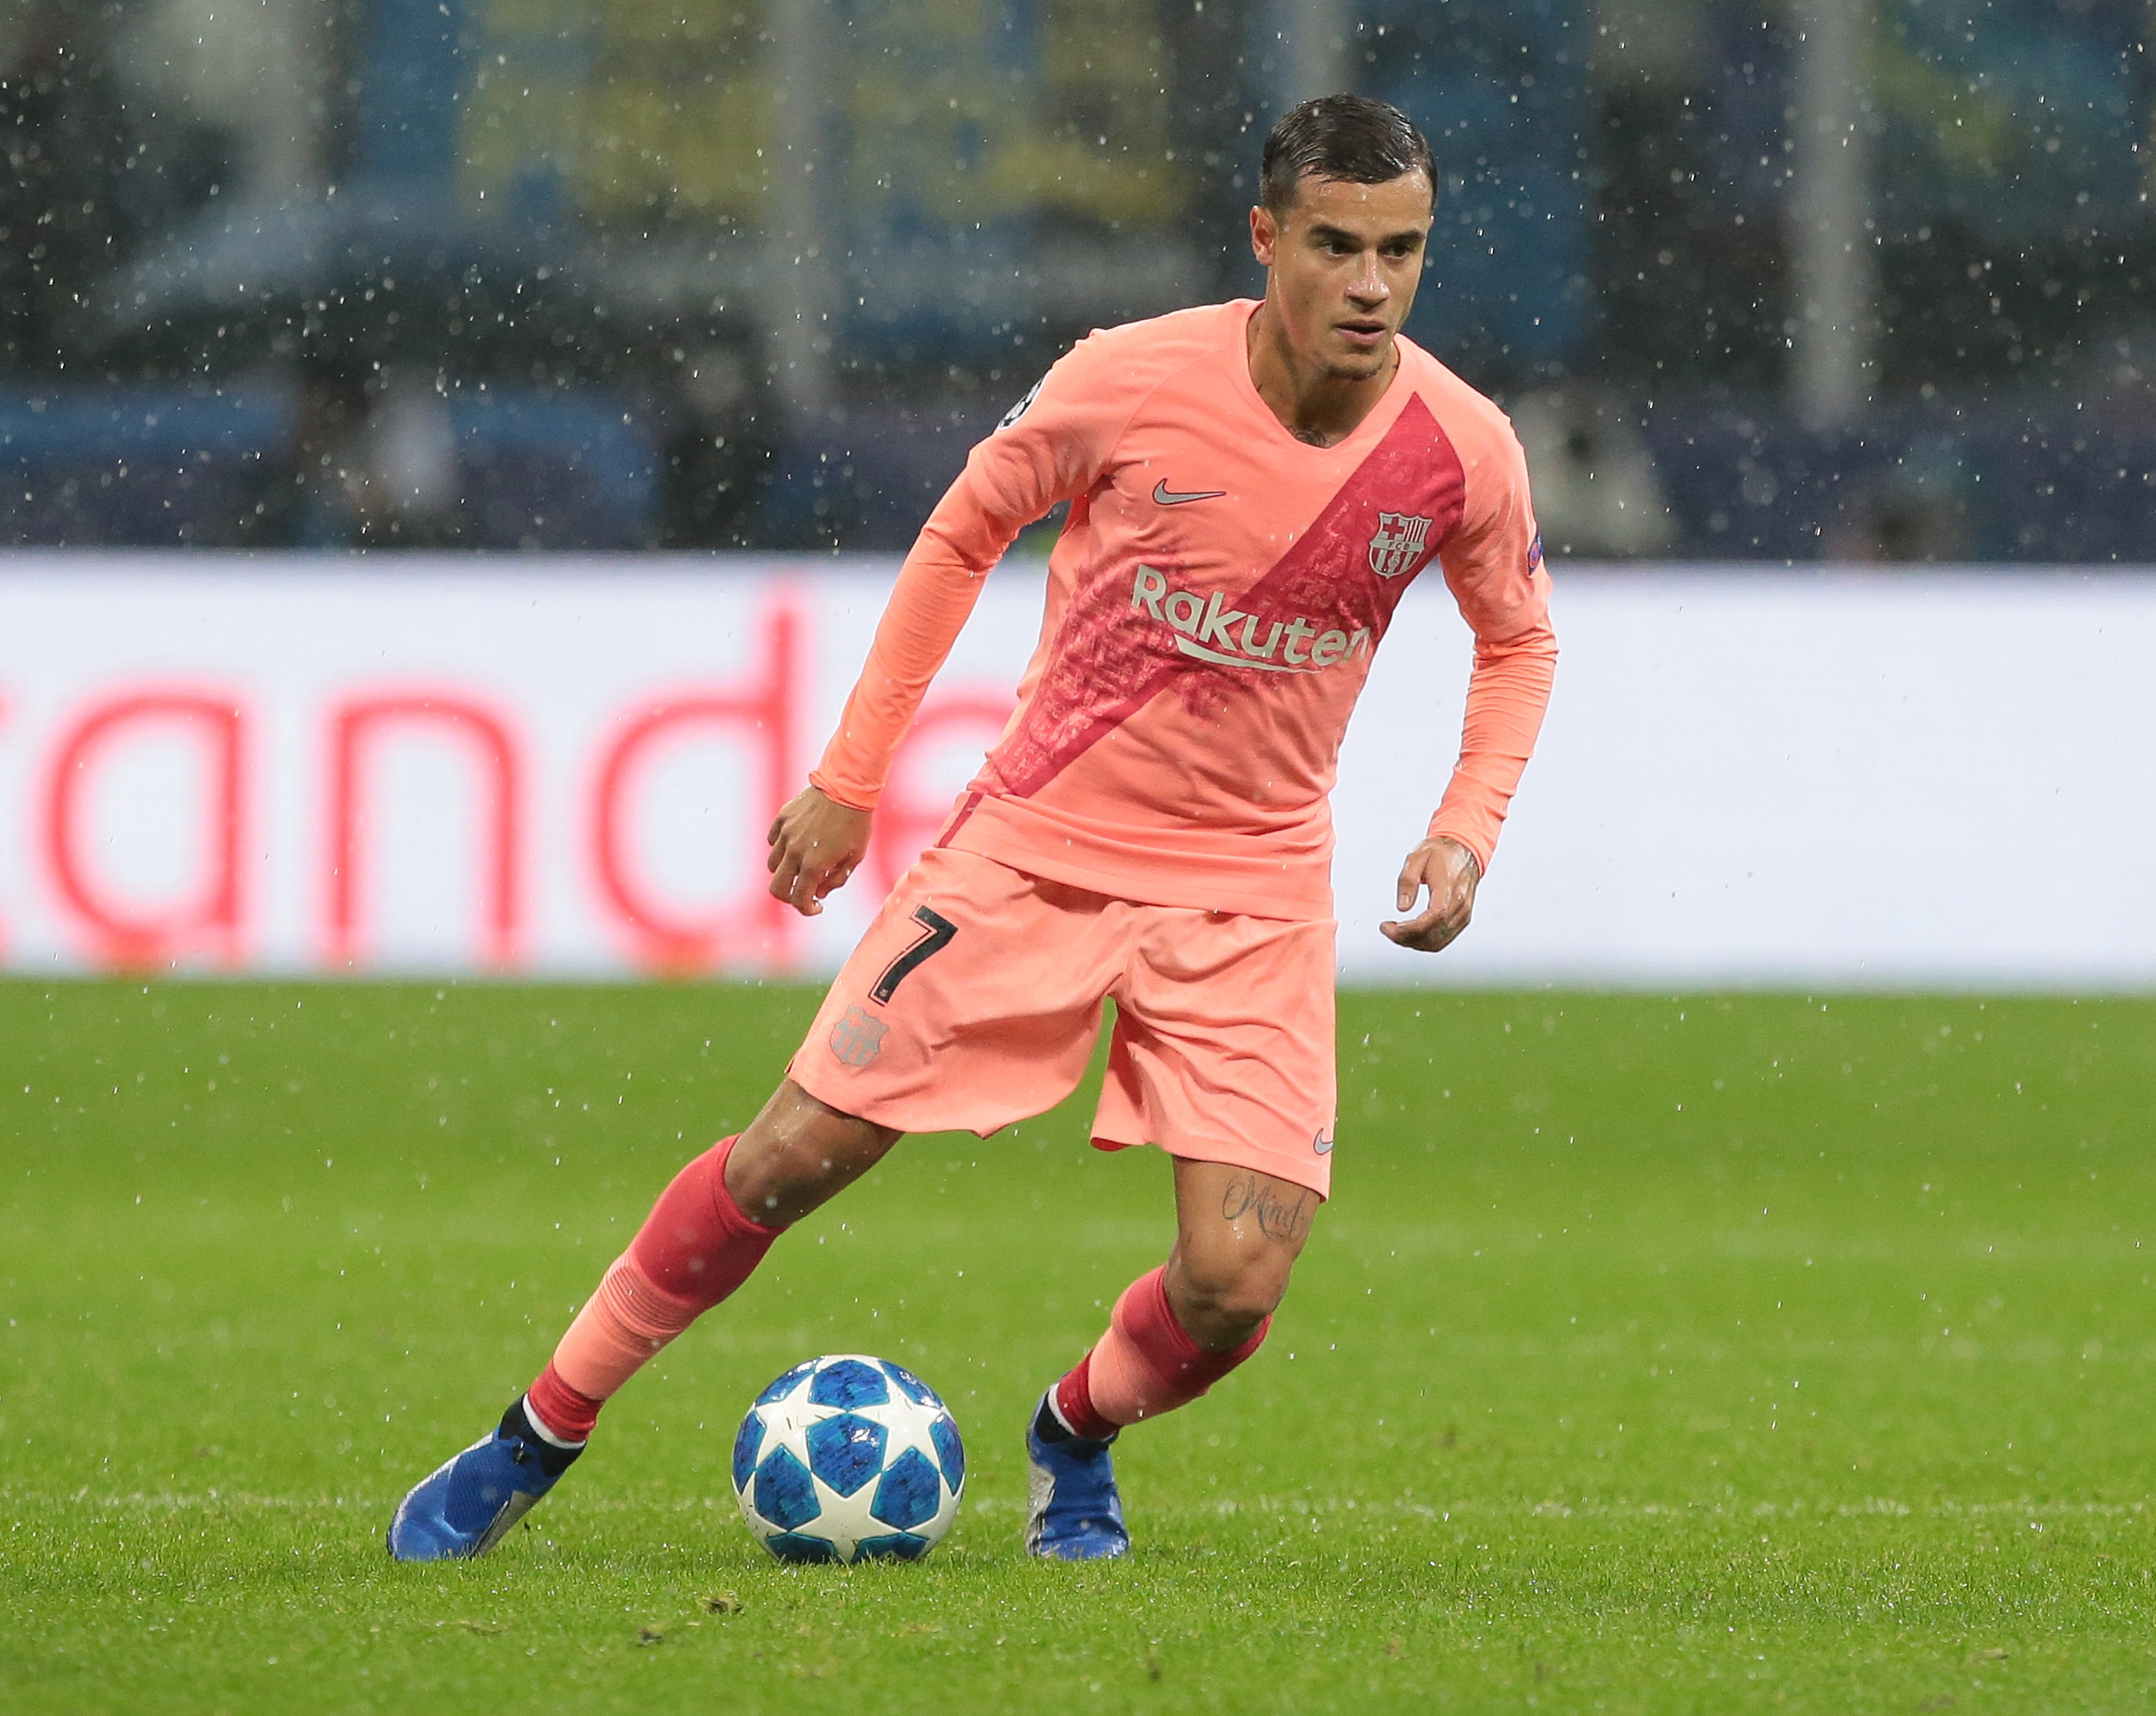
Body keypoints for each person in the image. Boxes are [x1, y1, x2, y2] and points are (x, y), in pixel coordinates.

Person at [388, 93, 1557, 1564]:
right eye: (1336, 244)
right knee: (785, 1160)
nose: (1373, 285)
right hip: (1034, 857)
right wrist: (853, 772)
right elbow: (962, 532)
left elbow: (1519, 640)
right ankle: (536, 1435)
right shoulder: (1128, 384)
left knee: (1238, 1283)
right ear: (1267, 240)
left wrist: (1466, 826)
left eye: (1403, 250)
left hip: (1252, 897)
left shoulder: (1464, 446)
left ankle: (1074, 1431)